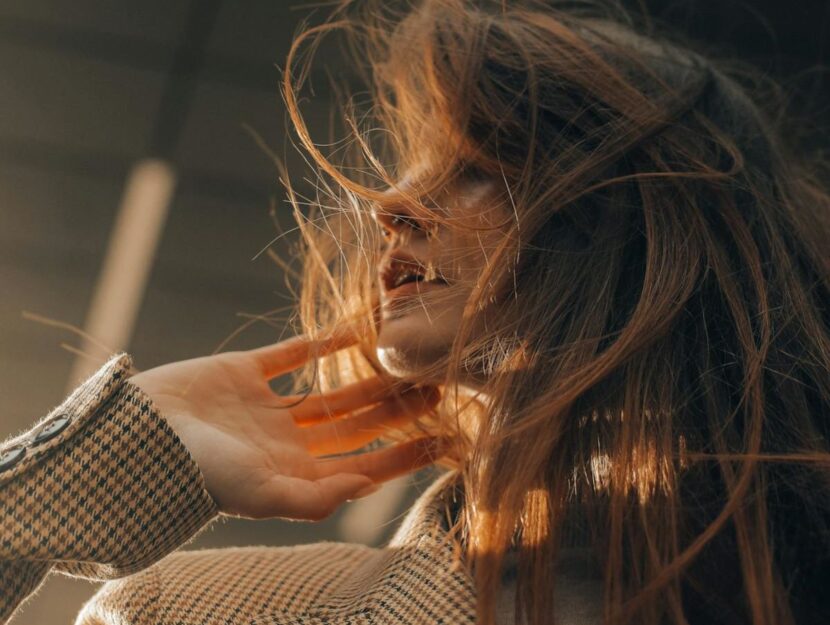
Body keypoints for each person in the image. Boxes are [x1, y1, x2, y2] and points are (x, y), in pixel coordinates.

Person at [1, 1, 828, 624]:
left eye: (477, 165)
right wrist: (62, 484)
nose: (391, 203)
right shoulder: (196, 613)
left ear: (639, 226)